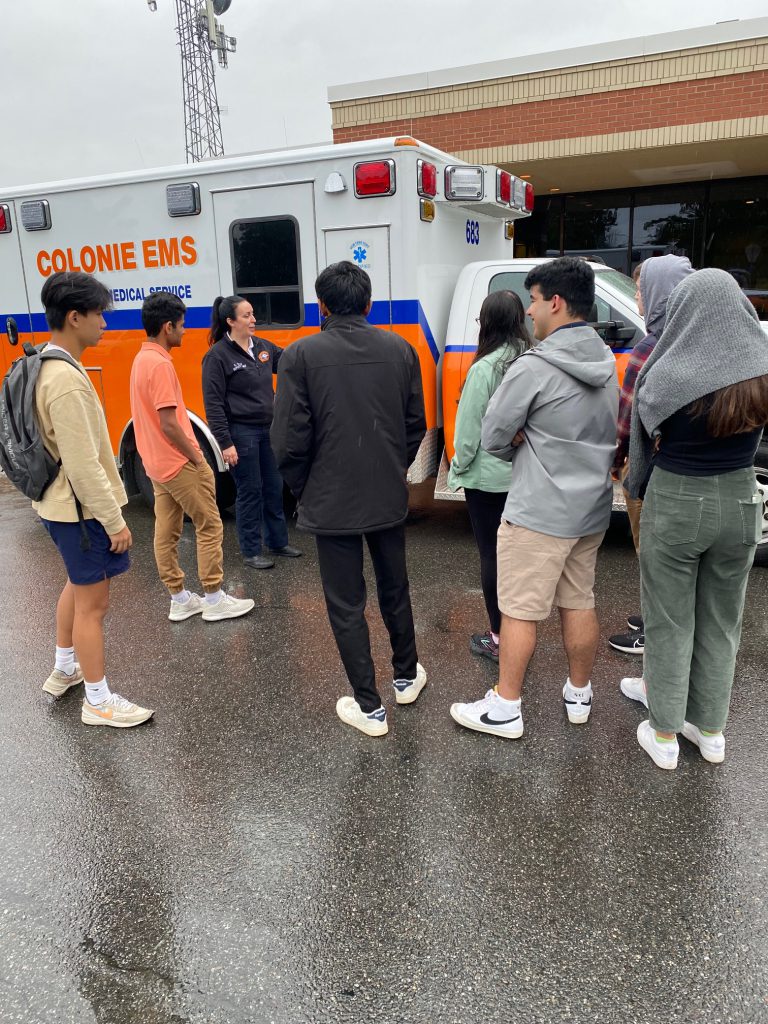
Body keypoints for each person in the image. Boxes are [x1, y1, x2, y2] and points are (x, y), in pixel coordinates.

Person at [450, 257, 619, 739]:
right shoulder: (605, 361)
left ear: (557, 302)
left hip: (539, 510)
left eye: (536, 299)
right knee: (578, 600)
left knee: (519, 609)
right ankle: (579, 693)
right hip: (590, 510)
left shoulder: (535, 366)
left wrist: (521, 439)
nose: (530, 310)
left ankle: (505, 707)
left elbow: (495, 434)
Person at [271, 261, 427, 737]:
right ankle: (405, 676)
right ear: (368, 303)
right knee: (394, 587)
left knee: (346, 603)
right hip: (385, 492)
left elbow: (288, 440)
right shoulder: (401, 349)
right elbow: (415, 422)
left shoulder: (299, 355)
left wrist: (305, 484)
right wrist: (392, 465)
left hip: (330, 495)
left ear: (321, 306)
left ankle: (370, 707)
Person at [622, 269, 768, 770]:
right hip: (742, 498)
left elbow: (641, 440)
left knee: (669, 621)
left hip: (678, 499)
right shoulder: (762, 367)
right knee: (722, 622)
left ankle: (663, 733)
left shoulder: (666, 373)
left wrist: (634, 488)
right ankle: (710, 731)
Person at [33, 272, 153, 728]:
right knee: (93, 605)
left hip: (57, 506)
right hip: (80, 512)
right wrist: (114, 521)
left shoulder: (45, 363)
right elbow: (84, 466)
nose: (105, 322)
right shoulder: (65, 380)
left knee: (76, 585)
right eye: (99, 313)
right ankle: (98, 701)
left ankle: (66, 667)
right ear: (74, 316)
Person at [130, 291, 255, 622]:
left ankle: (180, 598)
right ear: (167, 326)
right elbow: (169, 423)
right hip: (177, 462)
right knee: (210, 524)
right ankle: (214, 598)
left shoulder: (141, 359)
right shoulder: (159, 364)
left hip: (156, 464)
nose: (185, 331)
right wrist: (196, 458)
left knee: (167, 530)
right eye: (182, 325)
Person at [608, 255, 693, 656]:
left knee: (653, 559)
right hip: (691, 477)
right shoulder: (696, 336)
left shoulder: (649, 347)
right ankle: (655, 621)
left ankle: (653, 636)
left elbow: (627, 419)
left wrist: (616, 464)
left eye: (641, 291)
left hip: (651, 474)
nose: (638, 298)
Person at [447, 290, 531, 662]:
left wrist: (459, 466)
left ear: (488, 323)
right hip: (525, 474)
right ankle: (520, 631)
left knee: (492, 557)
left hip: (487, 479)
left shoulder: (484, 368)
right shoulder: (531, 360)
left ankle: (498, 637)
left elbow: (468, 431)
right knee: (519, 560)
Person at [202, 296, 301, 570]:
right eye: (246, 316)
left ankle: (278, 542)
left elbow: (290, 363)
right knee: (250, 491)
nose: (253, 320)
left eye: (253, 314)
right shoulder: (217, 357)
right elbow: (213, 404)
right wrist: (225, 443)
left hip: (268, 431)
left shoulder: (262, 348)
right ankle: (251, 550)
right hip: (241, 434)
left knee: (273, 487)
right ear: (230, 322)